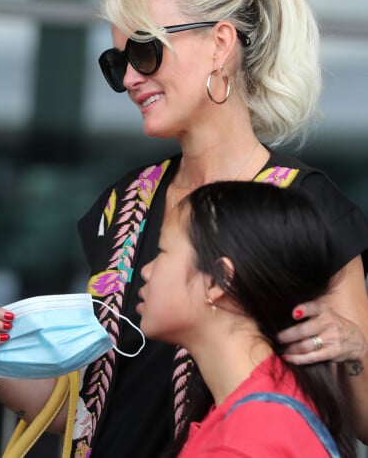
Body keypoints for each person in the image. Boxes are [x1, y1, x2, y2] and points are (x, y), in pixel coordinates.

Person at [0, 0, 368, 456]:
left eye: (144, 52)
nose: (127, 79)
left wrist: (357, 356)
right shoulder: (124, 205)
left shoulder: (306, 207)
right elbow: (94, 415)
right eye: (116, 61)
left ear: (220, 43)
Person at [138, 180, 356, 457]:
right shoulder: (268, 402)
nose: (146, 271)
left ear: (218, 281)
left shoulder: (243, 440)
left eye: (163, 251)